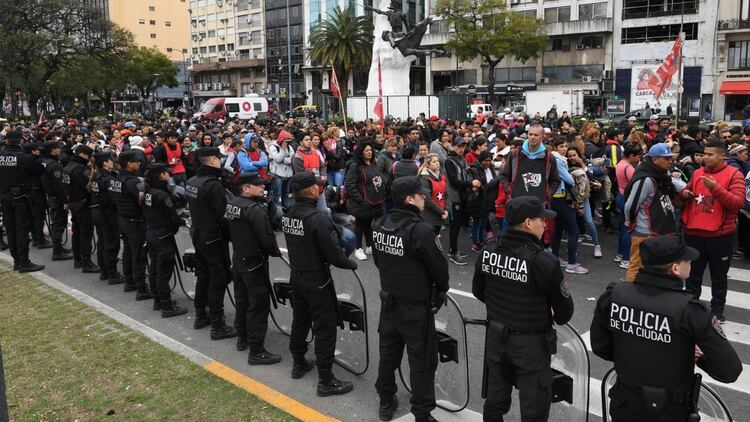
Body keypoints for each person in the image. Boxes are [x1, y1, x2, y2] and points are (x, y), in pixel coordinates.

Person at [590, 235, 742, 422]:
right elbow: (730, 370)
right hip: (670, 412)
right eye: (686, 259)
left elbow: (600, 346)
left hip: (625, 404)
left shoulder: (614, 295)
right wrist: (699, 357)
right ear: (675, 268)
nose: (691, 262)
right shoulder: (691, 311)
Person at [472, 196, 574, 422]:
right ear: (528, 223)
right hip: (531, 345)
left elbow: (479, 292)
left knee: (495, 399)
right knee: (534, 407)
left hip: (497, 337)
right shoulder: (544, 262)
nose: (545, 224)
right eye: (542, 220)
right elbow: (564, 313)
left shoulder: (489, 250)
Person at [371, 176, 450, 422]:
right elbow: (440, 272)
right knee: (422, 362)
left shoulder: (380, 223)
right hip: (416, 308)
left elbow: (378, 260)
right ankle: (422, 413)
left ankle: (386, 399)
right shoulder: (422, 230)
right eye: (420, 194)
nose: (424, 198)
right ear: (409, 199)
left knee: (388, 355)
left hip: (390, 302)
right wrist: (438, 291)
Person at [282, 172, 358, 396]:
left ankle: (298, 363)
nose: (320, 188)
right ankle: (326, 380)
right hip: (317, 280)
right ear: (312, 190)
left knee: (300, 320)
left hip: (297, 275)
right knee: (325, 328)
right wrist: (348, 263)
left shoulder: (289, 213)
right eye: (317, 186)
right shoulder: (318, 218)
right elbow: (334, 253)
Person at [680, 141, 745, 322]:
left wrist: (715, 188)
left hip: (720, 236)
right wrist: (684, 194)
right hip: (693, 233)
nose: (705, 157)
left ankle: (717, 311)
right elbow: (687, 193)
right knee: (693, 275)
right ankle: (691, 307)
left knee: (718, 276)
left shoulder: (734, 174)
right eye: (704, 154)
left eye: (710, 154)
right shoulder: (698, 173)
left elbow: (737, 203)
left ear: (722, 156)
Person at [224, 173, 283, 364]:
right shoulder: (255, 209)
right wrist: (275, 252)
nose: (262, 188)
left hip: (239, 258)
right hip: (254, 262)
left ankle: (243, 338)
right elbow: (267, 238)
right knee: (258, 303)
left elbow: (227, 230)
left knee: (242, 299)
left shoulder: (232, 204)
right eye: (257, 186)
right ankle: (256, 350)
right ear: (245, 188)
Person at [185, 147, 237, 339]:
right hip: (213, 236)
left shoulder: (192, 181)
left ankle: (201, 315)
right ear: (213, 161)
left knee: (204, 275)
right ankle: (218, 325)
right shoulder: (213, 185)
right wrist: (231, 237)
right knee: (219, 279)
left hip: (198, 233)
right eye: (219, 159)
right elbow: (222, 215)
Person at [623, 143, 684, 282]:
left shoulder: (660, 175)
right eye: (666, 159)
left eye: (671, 158)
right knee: (636, 267)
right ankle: (630, 297)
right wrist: (630, 221)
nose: (670, 162)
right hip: (644, 231)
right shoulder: (646, 179)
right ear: (655, 159)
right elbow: (630, 206)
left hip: (659, 229)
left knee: (656, 269)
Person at [141, 163, 189, 318]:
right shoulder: (162, 194)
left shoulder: (148, 190)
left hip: (152, 232)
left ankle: (158, 301)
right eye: (167, 173)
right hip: (162, 234)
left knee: (155, 268)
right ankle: (167, 307)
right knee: (163, 271)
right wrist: (185, 222)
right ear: (162, 175)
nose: (169, 175)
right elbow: (172, 217)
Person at [0, 130, 45, 272]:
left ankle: (17, 261)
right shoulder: (26, 158)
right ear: (20, 141)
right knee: (22, 231)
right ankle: (24, 262)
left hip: (4, 197)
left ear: (6, 141)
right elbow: (39, 171)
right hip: (20, 198)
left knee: (11, 231)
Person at [112, 151, 153, 300]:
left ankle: (130, 282)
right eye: (136, 161)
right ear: (129, 164)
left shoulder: (117, 178)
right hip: (135, 222)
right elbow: (144, 200)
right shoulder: (132, 181)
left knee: (128, 252)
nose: (139, 163)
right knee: (139, 255)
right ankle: (142, 289)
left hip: (123, 219)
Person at [345, 140, 386, 261]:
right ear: (361, 152)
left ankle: (369, 246)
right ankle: (358, 249)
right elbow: (350, 185)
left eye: (370, 150)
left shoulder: (373, 163)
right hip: (362, 202)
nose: (369, 152)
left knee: (369, 225)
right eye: (366, 150)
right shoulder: (355, 166)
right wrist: (360, 199)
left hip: (375, 200)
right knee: (360, 225)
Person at [63, 145, 100, 273]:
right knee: (85, 233)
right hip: (83, 204)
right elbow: (90, 187)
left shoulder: (68, 166)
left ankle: (78, 259)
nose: (90, 158)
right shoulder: (81, 169)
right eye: (89, 155)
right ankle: (86, 262)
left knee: (76, 231)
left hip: (73, 202)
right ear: (83, 155)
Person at [89, 152, 124, 285]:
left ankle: (104, 271)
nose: (112, 162)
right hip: (107, 213)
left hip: (97, 211)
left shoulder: (95, 176)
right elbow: (114, 199)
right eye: (110, 160)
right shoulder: (107, 179)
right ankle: (112, 273)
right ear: (105, 162)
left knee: (102, 242)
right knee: (111, 243)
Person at [445, 136, 479, 265]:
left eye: (463, 146)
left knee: (458, 225)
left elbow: (467, 172)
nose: (461, 148)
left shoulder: (461, 158)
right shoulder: (449, 161)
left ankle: (452, 249)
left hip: (463, 196)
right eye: (458, 146)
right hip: (455, 198)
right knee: (455, 225)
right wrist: (471, 184)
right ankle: (453, 253)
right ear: (453, 146)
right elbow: (454, 181)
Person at [39, 141, 73, 261]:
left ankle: (58, 248)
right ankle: (57, 252)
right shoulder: (55, 165)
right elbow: (59, 185)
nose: (60, 150)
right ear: (53, 150)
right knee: (59, 224)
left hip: (49, 195)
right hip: (56, 198)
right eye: (58, 148)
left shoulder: (43, 162)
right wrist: (65, 201)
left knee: (56, 223)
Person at [613, 143, 642, 269]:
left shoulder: (620, 164)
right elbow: (638, 183)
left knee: (622, 227)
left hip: (620, 195)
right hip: (626, 198)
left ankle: (620, 254)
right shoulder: (629, 168)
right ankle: (625, 259)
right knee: (627, 229)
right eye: (637, 156)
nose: (638, 159)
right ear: (631, 155)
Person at [22, 143, 51, 249]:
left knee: (32, 216)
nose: (39, 152)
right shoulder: (35, 161)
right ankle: (40, 241)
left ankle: (35, 238)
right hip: (36, 191)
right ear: (33, 151)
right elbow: (41, 174)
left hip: (28, 191)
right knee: (39, 216)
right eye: (37, 150)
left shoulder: (22, 160)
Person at [418, 153, 448, 232]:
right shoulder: (424, 178)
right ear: (428, 164)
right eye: (434, 162)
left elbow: (446, 194)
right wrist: (442, 212)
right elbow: (427, 199)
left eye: (437, 161)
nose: (437, 163)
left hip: (440, 213)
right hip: (429, 216)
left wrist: (446, 210)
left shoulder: (442, 176)